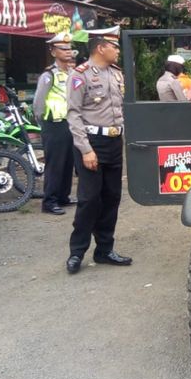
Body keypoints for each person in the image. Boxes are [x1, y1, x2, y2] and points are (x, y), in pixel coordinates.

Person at [65, 28, 132, 274]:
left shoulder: (116, 74)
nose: (117, 51)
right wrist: (85, 149)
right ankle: (77, 251)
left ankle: (104, 250)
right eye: (113, 46)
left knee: (112, 197)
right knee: (89, 199)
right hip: (91, 143)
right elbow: (73, 114)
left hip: (114, 143)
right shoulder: (79, 76)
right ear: (101, 47)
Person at [32, 32, 76, 215]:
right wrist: (42, 123)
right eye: (63, 48)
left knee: (68, 163)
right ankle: (49, 201)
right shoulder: (49, 75)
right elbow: (38, 103)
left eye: (69, 48)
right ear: (53, 52)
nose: (68, 52)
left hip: (70, 123)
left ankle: (63, 197)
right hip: (53, 124)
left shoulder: (73, 73)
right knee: (55, 164)